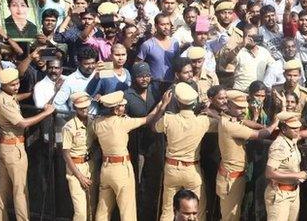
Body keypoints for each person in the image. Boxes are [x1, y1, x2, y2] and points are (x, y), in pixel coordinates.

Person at [93, 89, 168, 221]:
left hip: (106, 168)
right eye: (121, 106)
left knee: (103, 209)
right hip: (121, 168)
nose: (124, 108)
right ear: (116, 110)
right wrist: (162, 103)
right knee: (127, 210)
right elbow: (148, 119)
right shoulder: (123, 123)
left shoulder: (98, 123)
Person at [0, 67, 55, 221]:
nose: (16, 87)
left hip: (5, 145)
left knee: (3, 187)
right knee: (20, 189)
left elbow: (15, 98)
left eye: (17, 83)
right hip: (13, 148)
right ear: (3, 85)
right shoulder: (4, 101)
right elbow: (22, 123)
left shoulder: (4, 95)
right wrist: (45, 113)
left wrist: (29, 94)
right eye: (12, 85)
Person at [154, 81, 214, 221]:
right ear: (194, 103)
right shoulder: (203, 121)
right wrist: (211, 112)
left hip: (172, 168)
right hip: (192, 169)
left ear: (178, 102)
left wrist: (163, 105)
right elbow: (223, 125)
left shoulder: (169, 119)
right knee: (195, 211)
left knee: (168, 210)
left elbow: (154, 126)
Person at [217, 89, 272, 221]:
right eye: (238, 107)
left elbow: (245, 122)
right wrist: (275, 123)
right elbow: (260, 135)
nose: (242, 111)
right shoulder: (229, 125)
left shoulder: (230, 118)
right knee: (231, 216)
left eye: (244, 108)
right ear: (228, 105)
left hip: (236, 176)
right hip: (231, 179)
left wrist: (260, 125)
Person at [264, 111, 307, 221]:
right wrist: (297, 175)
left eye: (298, 127)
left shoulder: (291, 139)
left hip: (293, 192)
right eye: (293, 128)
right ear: (283, 129)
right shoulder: (279, 146)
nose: (297, 130)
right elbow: (269, 173)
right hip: (280, 195)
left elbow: (301, 135)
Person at [62, 92, 95, 221]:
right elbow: (66, 154)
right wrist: (80, 176)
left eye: (86, 107)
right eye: (81, 108)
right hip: (75, 168)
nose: (85, 110)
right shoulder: (69, 127)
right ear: (75, 108)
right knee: (80, 211)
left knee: (91, 207)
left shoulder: (92, 122)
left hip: (90, 164)